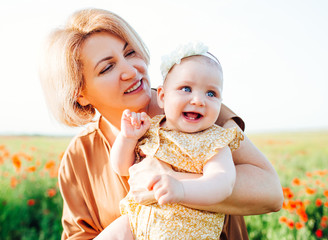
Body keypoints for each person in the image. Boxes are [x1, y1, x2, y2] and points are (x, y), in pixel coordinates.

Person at [39, 8, 283, 240]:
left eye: (130, 52)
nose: (131, 71)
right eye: (108, 67)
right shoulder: (79, 156)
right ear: (80, 93)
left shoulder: (195, 108)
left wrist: (170, 182)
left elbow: (270, 193)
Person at [110, 41, 244, 240]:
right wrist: (127, 138)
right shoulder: (151, 128)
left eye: (211, 93)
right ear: (162, 97)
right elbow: (121, 168)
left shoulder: (214, 141)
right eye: (186, 89)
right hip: (135, 224)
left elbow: (223, 183)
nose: (198, 100)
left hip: (184, 231)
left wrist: (182, 189)